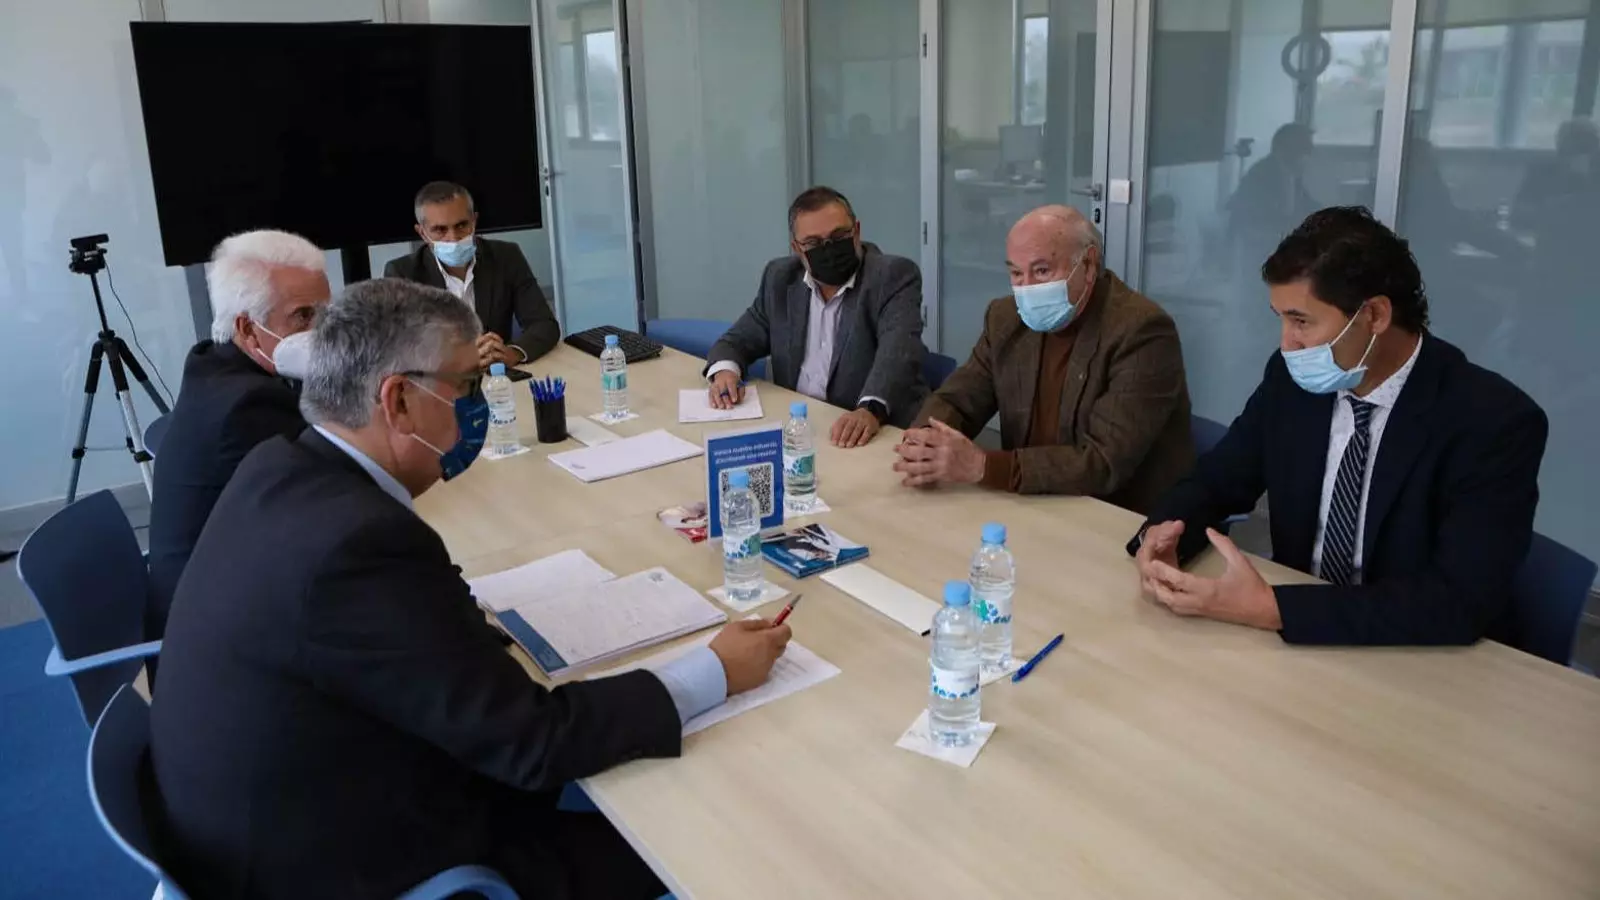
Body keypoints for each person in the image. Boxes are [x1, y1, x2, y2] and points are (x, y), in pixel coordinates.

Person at [150, 278, 792, 900]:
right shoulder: (357, 544)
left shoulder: (279, 466)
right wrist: (713, 670)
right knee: (709, 833)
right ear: (398, 400)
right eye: (464, 385)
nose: (477, 402)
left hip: (272, 810)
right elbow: (533, 743)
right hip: (348, 861)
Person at [1130, 207, 1547, 646]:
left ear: (1375, 316)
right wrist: (1164, 534)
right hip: (1297, 644)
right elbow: (1218, 479)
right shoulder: (1291, 381)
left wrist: (1274, 608)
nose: (1287, 344)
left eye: (1301, 321)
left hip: (1418, 658)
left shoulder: (1493, 421)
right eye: (1280, 318)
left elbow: (1457, 601)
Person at [893, 205, 1193, 514]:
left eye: (1041, 271)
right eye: (1016, 273)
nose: (1027, 289)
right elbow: (959, 399)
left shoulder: (1142, 331)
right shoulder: (1005, 318)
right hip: (1030, 500)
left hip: (1116, 514)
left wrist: (984, 466)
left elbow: (1103, 462)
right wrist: (926, 443)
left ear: (1088, 264)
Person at [145, 229, 330, 652]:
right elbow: (324, 504)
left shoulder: (215, 362)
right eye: (303, 316)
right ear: (247, 328)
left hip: (222, 596)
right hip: (219, 640)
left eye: (326, 313)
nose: (321, 331)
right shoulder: (246, 406)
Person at [704, 185, 928, 446]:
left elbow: (899, 353)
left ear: (857, 231)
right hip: (801, 429)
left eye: (839, 235)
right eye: (813, 243)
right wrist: (726, 372)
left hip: (877, 433)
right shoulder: (780, 278)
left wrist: (870, 409)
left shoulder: (892, 276)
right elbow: (736, 341)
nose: (828, 249)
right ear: (797, 248)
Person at [384, 180, 560, 367]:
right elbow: (396, 347)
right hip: (441, 378)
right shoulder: (402, 273)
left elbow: (544, 324)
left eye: (461, 225)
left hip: (496, 374)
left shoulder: (506, 256)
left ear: (474, 221)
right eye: (440, 230)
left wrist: (513, 352)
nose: (453, 238)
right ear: (422, 233)